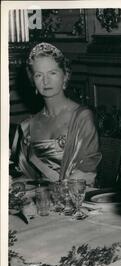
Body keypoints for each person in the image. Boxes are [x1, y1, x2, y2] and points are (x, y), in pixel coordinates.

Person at [11, 42, 101, 186]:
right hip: (41, 201)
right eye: (39, 75)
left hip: (77, 200)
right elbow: (27, 178)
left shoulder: (82, 117)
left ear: (65, 76)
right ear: (33, 81)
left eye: (52, 73)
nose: (46, 81)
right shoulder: (27, 126)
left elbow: (85, 174)